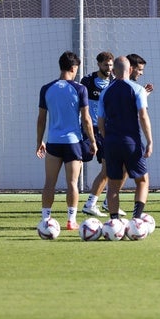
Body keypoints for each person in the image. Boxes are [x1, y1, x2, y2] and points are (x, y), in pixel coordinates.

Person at [36, 51, 97, 230]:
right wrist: (93, 142)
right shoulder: (80, 88)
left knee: (49, 183)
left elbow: (41, 119)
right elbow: (86, 119)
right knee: (72, 183)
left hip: (53, 142)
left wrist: (39, 141)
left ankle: (45, 219)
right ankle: (71, 221)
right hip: (73, 143)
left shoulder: (46, 88)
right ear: (73, 68)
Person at [98, 56, 153, 220]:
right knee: (142, 181)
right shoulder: (137, 89)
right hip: (131, 142)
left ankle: (114, 222)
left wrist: (108, 139)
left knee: (113, 185)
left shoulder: (105, 92)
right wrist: (149, 141)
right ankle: (136, 219)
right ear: (130, 70)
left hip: (111, 142)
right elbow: (143, 116)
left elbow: (100, 122)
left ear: (113, 72)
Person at [80, 51, 116, 217]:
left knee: (108, 168)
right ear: (99, 64)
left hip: (106, 131)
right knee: (78, 161)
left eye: (111, 65)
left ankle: (97, 203)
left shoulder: (114, 82)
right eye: (106, 65)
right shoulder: (87, 81)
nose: (109, 68)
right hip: (89, 130)